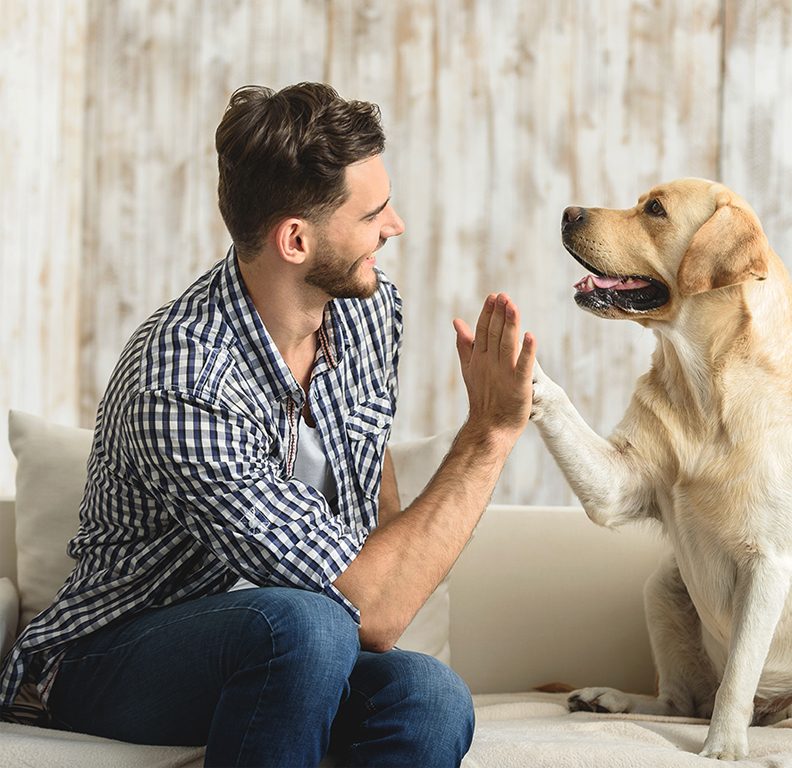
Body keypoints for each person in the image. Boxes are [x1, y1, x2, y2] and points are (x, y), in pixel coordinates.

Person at [0, 82, 535, 767]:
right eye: (373, 212)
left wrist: (385, 590)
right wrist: (488, 435)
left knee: (429, 696)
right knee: (305, 625)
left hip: (300, 642)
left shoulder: (368, 311)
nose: (394, 226)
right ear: (295, 239)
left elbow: (371, 484)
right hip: (111, 656)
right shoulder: (184, 378)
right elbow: (367, 608)